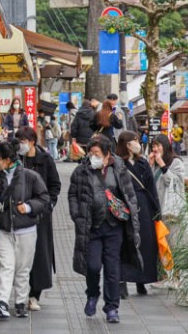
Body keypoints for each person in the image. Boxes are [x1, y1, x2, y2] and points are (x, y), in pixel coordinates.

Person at [68, 136, 141, 324]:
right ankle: (92, 295)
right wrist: (77, 215)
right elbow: (73, 195)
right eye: (91, 153)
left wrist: (131, 214)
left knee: (112, 269)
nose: (93, 157)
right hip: (91, 227)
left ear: (108, 155)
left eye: (97, 154)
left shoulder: (120, 170)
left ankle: (112, 307)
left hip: (114, 227)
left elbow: (130, 195)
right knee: (92, 266)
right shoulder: (81, 172)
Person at [0, 141, 51, 320]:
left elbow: (44, 199)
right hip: (4, 229)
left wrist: (28, 207)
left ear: (6, 160)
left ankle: (20, 302)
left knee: (22, 268)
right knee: (6, 266)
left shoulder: (30, 176)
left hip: (26, 229)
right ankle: (2, 302)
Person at [15, 127, 61, 311]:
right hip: (19, 214)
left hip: (40, 214)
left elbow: (55, 185)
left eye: (23, 141)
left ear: (32, 141)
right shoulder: (17, 159)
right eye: (18, 142)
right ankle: (21, 294)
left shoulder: (45, 160)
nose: (20, 145)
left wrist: (48, 205)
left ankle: (35, 295)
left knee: (40, 254)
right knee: (20, 255)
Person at [116, 130, 160, 297]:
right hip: (126, 206)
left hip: (143, 206)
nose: (138, 143)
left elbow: (151, 188)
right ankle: (122, 281)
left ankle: (143, 279)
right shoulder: (118, 164)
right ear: (127, 144)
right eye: (135, 140)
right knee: (126, 244)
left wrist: (156, 212)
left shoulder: (143, 163)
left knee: (146, 243)